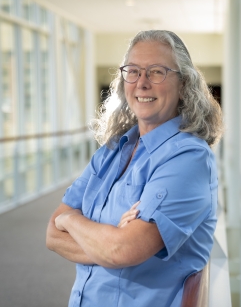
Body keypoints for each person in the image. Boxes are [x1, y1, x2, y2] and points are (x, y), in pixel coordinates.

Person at [46, 30, 223, 307]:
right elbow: (52, 236)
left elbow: (122, 249)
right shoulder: (113, 150)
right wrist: (108, 243)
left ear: (184, 84)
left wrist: (71, 222)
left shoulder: (189, 159)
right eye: (133, 71)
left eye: (156, 72)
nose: (141, 83)